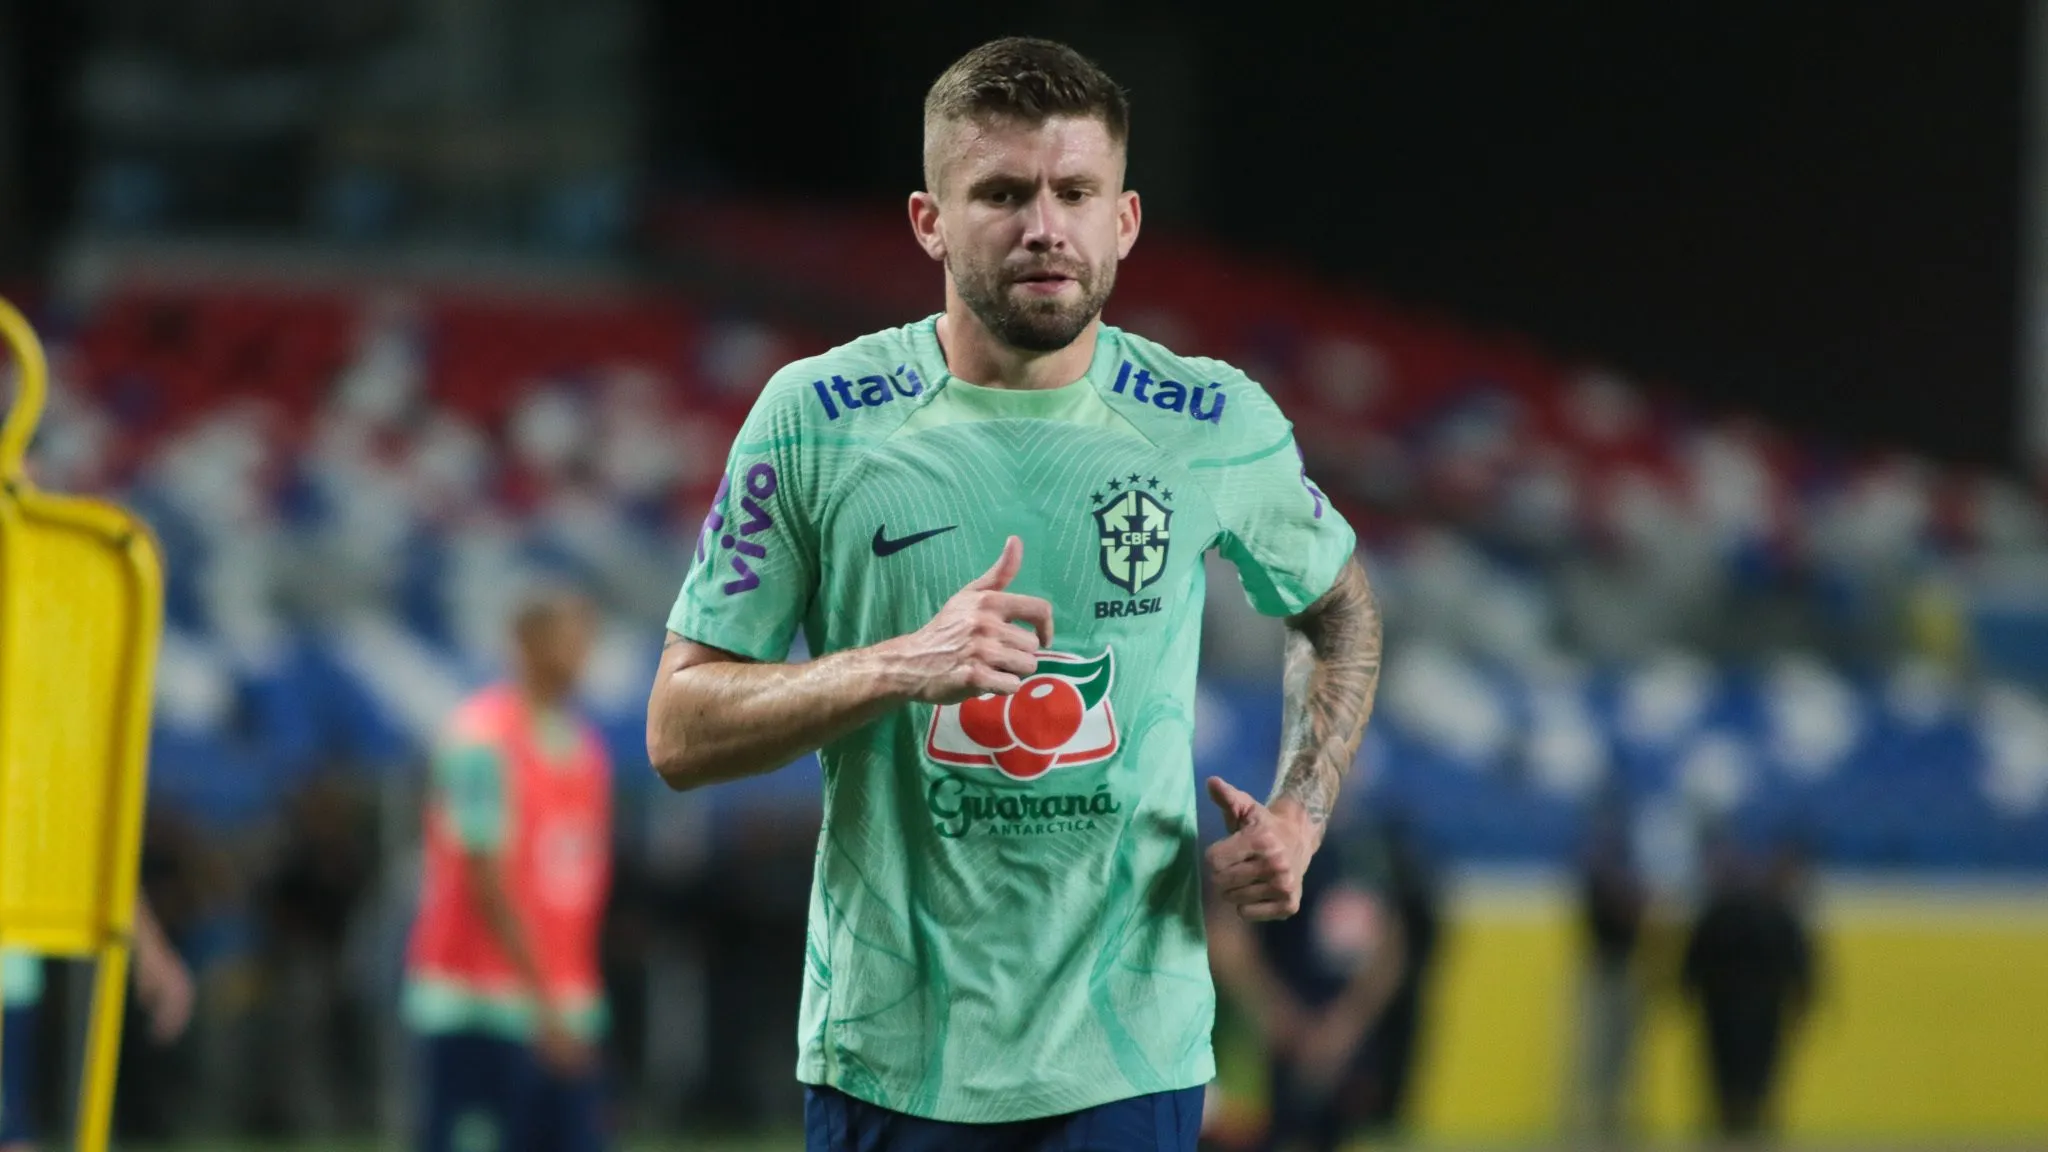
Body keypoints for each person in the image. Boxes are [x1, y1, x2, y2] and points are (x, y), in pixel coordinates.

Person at [646, 36, 1385, 1152]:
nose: (1043, 225)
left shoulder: (1207, 421)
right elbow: (678, 728)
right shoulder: (816, 417)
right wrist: (901, 663)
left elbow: (1336, 611)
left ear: (1122, 221)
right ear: (927, 222)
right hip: (887, 1060)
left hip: (1127, 1057)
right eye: (1000, 193)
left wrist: (1302, 809)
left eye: (1074, 192)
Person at [405, 587, 613, 1152]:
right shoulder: (479, 742)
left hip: (565, 1005)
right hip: (481, 1007)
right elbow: (485, 882)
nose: (580, 653)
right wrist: (543, 1005)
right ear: (525, 641)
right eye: (567, 637)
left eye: (585, 638)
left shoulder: (586, 747)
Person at [1207, 812, 1406, 1152]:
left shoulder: (1368, 850)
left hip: (1336, 1050)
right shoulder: (1261, 840)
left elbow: (1388, 949)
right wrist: (1280, 1019)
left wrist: (1342, 1029)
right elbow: (1225, 938)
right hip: (1258, 1050)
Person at [1, 898, 194, 1152]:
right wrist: (153, 952)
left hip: (12, 978)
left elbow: (105, 865)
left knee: (13, 1131)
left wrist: (152, 952)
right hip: (12, 979)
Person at [1681, 843, 1816, 1142]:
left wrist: (1689, 989)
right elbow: (1799, 962)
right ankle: (1746, 1119)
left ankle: (1738, 1120)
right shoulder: (1772, 913)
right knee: (1748, 1068)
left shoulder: (1722, 912)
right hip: (1751, 1006)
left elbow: (1693, 959)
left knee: (1734, 1068)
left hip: (1730, 1006)